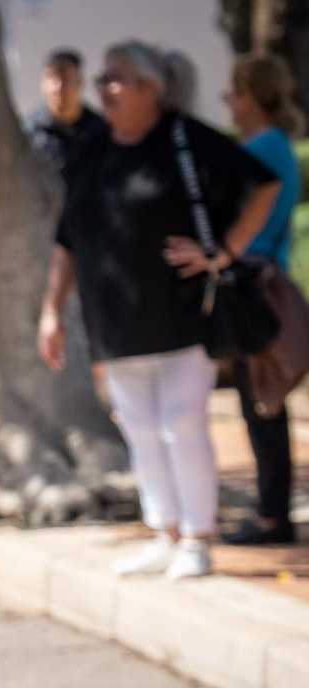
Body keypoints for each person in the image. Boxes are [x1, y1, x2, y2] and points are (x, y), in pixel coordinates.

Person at [39, 42, 280, 580]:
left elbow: (265, 186)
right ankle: (164, 531)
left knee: (182, 424)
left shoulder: (185, 139)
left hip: (182, 314)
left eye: (116, 78)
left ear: (151, 89)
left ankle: (196, 536)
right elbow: (67, 238)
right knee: (140, 430)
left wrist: (223, 252)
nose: (103, 88)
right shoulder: (93, 150)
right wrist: (50, 309)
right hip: (115, 321)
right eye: (102, 78)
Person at [221, 53, 301, 546]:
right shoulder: (273, 144)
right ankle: (273, 510)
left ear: (248, 96)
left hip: (253, 285)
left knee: (261, 401)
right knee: (261, 400)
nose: (227, 101)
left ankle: (273, 515)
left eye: (231, 92)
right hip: (258, 281)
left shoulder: (262, 147)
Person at [23, 48, 110, 178]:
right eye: (52, 78)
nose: (58, 87)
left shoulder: (101, 130)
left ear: (79, 81)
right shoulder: (28, 131)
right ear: (42, 84)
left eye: (65, 78)